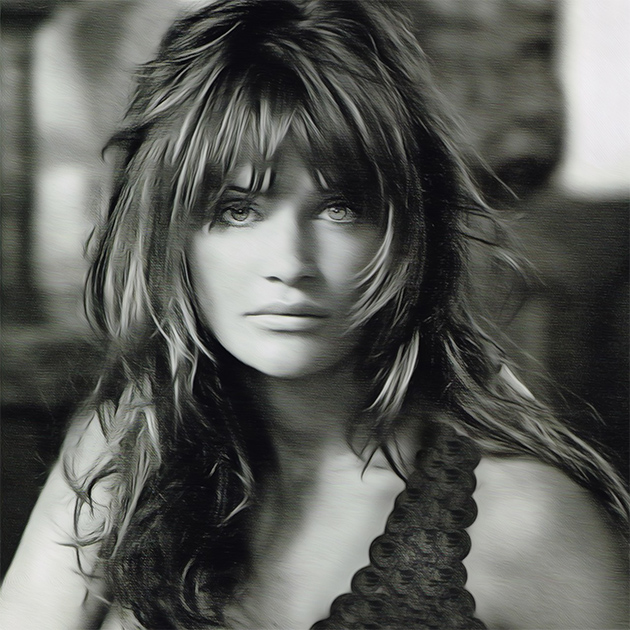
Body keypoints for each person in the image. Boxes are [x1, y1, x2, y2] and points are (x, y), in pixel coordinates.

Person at [1, 1, 628, 628]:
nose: (291, 263)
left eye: (339, 208)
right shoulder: (122, 458)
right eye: (238, 210)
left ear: (408, 233)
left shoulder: (528, 522)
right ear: (171, 234)